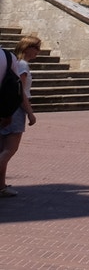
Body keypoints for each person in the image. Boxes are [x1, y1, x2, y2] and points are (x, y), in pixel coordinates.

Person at [0, 36, 41, 198]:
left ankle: (1, 186)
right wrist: (30, 113)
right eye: (36, 47)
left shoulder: (14, 61)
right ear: (27, 48)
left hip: (7, 107)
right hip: (16, 109)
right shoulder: (22, 64)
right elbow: (20, 91)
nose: (38, 51)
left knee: (3, 149)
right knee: (9, 150)